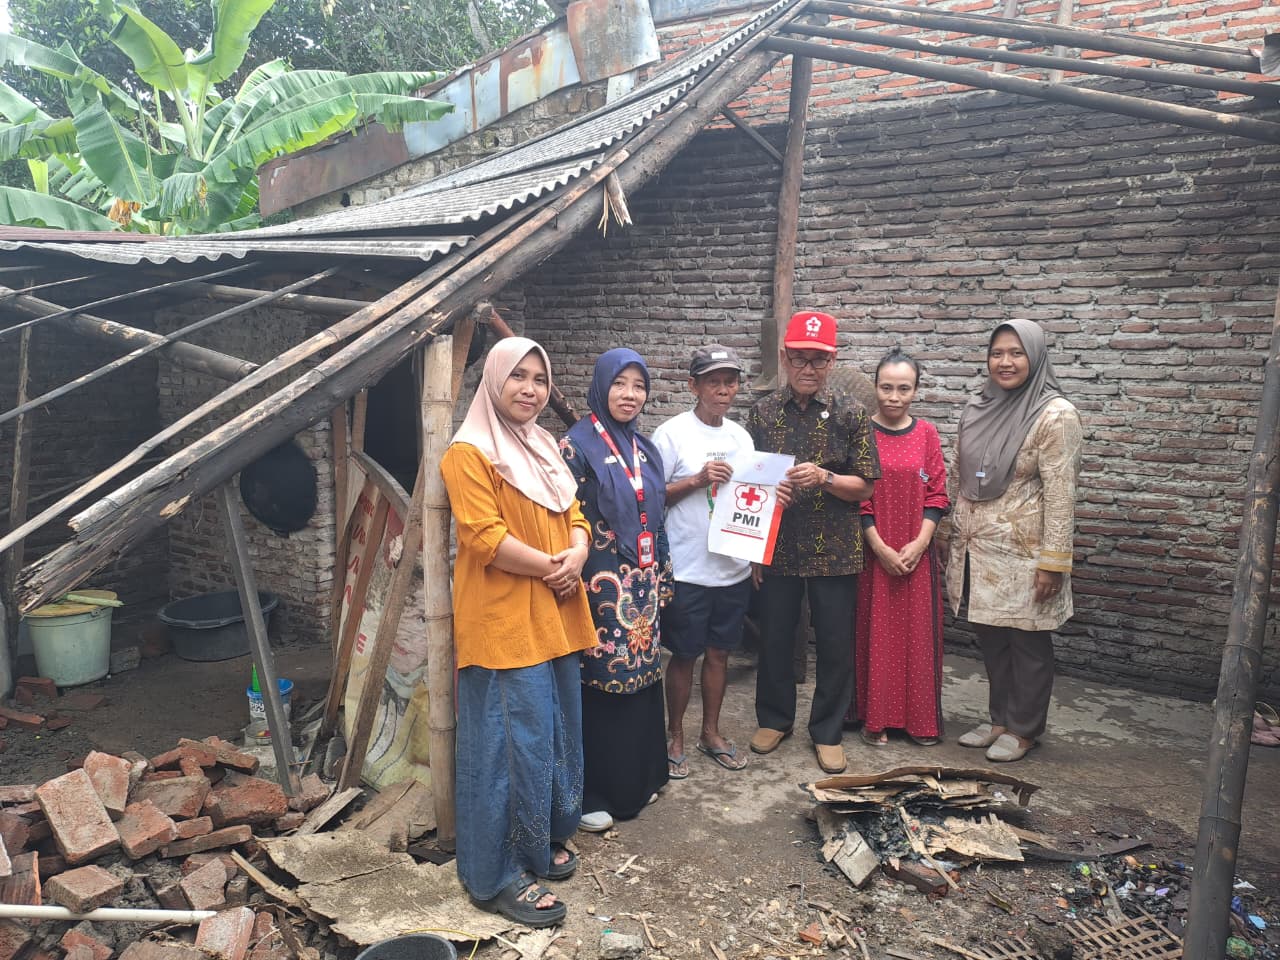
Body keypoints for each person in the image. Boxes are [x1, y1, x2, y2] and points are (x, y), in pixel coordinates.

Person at [440, 337, 594, 928]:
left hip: (554, 611)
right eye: (518, 378)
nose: (530, 390)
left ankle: (537, 846)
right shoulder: (470, 453)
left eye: (539, 379)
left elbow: (574, 514)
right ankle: (495, 876)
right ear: (493, 382)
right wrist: (558, 566)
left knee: (551, 735)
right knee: (507, 747)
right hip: (504, 619)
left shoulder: (542, 448)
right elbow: (484, 537)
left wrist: (577, 551)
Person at [745, 310, 881, 774]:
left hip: (837, 548)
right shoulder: (762, 413)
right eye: (799, 358)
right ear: (785, 358)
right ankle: (775, 718)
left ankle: (826, 730)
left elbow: (865, 486)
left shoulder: (852, 413)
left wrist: (824, 477)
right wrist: (755, 545)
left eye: (818, 360)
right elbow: (751, 482)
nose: (808, 368)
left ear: (832, 360)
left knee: (835, 642)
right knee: (776, 638)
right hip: (779, 545)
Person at [947, 319, 1083, 763]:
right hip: (979, 550)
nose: (1004, 362)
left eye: (1016, 353)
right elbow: (957, 474)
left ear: (1036, 356)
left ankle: (1024, 729)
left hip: (1026, 553)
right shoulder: (979, 406)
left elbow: (1062, 494)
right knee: (991, 637)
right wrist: (949, 532)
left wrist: (1053, 562)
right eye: (997, 353)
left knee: (1028, 641)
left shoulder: (1056, 414)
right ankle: (999, 719)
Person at [561, 348, 672, 832]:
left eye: (638, 386)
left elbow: (657, 516)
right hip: (598, 587)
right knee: (601, 681)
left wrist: (662, 578)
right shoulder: (574, 447)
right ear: (600, 386)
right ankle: (593, 794)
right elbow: (562, 519)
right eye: (620, 384)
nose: (630, 395)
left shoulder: (644, 448)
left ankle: (640, 777)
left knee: (644, 675)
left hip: (642, 585)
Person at [652, 345, 755, 777]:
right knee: (684, 654)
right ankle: (674, 735)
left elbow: (755, 499)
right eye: (713, 381)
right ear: (693, 385)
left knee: (719, 654)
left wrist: (755, 557)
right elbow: (650, 498)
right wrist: (696, 480)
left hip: (731, 568)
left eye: (730, 381)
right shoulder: (672, 434)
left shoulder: (740, 438)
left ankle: (710, 732)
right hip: (688, 566)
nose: (723, 389)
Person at [849, 348, 949, 747]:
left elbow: (938, 493)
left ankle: (918, 721)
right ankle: (875, 718)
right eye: (886, 387)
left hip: (915, 554)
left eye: (903, 388)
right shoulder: (862, 432)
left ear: (916, 390)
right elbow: (859, 498)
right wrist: (880, 547)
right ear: (875, 387)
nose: (893, 397)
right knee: (875, 636)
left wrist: (921, 543)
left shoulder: (926, 434)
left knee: (916, 638)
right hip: (873, 554)